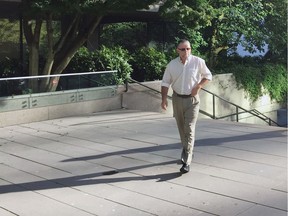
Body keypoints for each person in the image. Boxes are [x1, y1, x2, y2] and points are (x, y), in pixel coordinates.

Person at [161, 39, 212, 174]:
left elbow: (208, 76)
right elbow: (165, 82)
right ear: (177, 50)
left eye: (188, 49)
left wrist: (199, 86)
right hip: (177, 99)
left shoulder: (198, 61)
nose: (186, 52)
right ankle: (188, 151)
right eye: (183, 49)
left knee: (189, 129)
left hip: (192, 101)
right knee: (182, 129)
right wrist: (164, 99)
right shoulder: (172, 65)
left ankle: (186, 161)